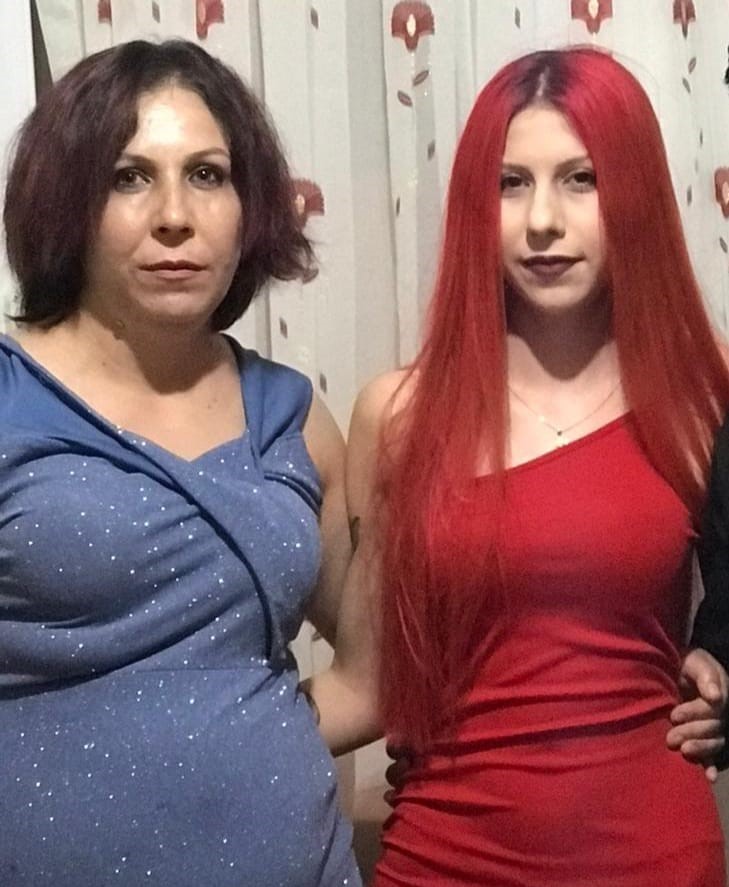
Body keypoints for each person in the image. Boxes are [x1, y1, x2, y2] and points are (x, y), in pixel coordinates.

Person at [308, 47, 729, 885]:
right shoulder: (396, 416)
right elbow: (365, 685)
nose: (541, 219)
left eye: (580, 179)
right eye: (509, 184)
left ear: (635, 193)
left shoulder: (704, 398)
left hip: (652, 857)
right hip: (440, 857)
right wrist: (170, 732)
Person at [0, 39, 360, 886]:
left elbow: (377, 671)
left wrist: (244, 740)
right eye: (128, 177)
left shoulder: (293, 415)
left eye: (206, 174)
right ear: (68, 201)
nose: (174, 214)